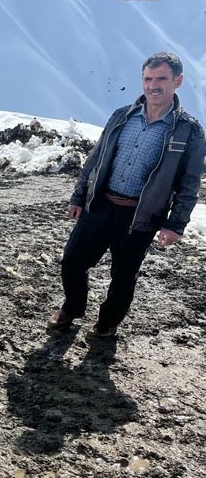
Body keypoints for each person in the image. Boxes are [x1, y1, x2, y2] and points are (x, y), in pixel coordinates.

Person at [49, 52, 205, 338]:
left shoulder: (189, 131)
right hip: (101, 205)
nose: (152, 85)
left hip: (140, 217)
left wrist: (175, 224)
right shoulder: (122, 116)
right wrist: (78, 196)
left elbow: (188, 183)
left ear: (178, 81)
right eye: (148, 78)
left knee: (122, 277)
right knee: (72, 261)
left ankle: (107, 323)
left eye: (161, 78)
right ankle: (72, 308)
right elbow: (96, 159)